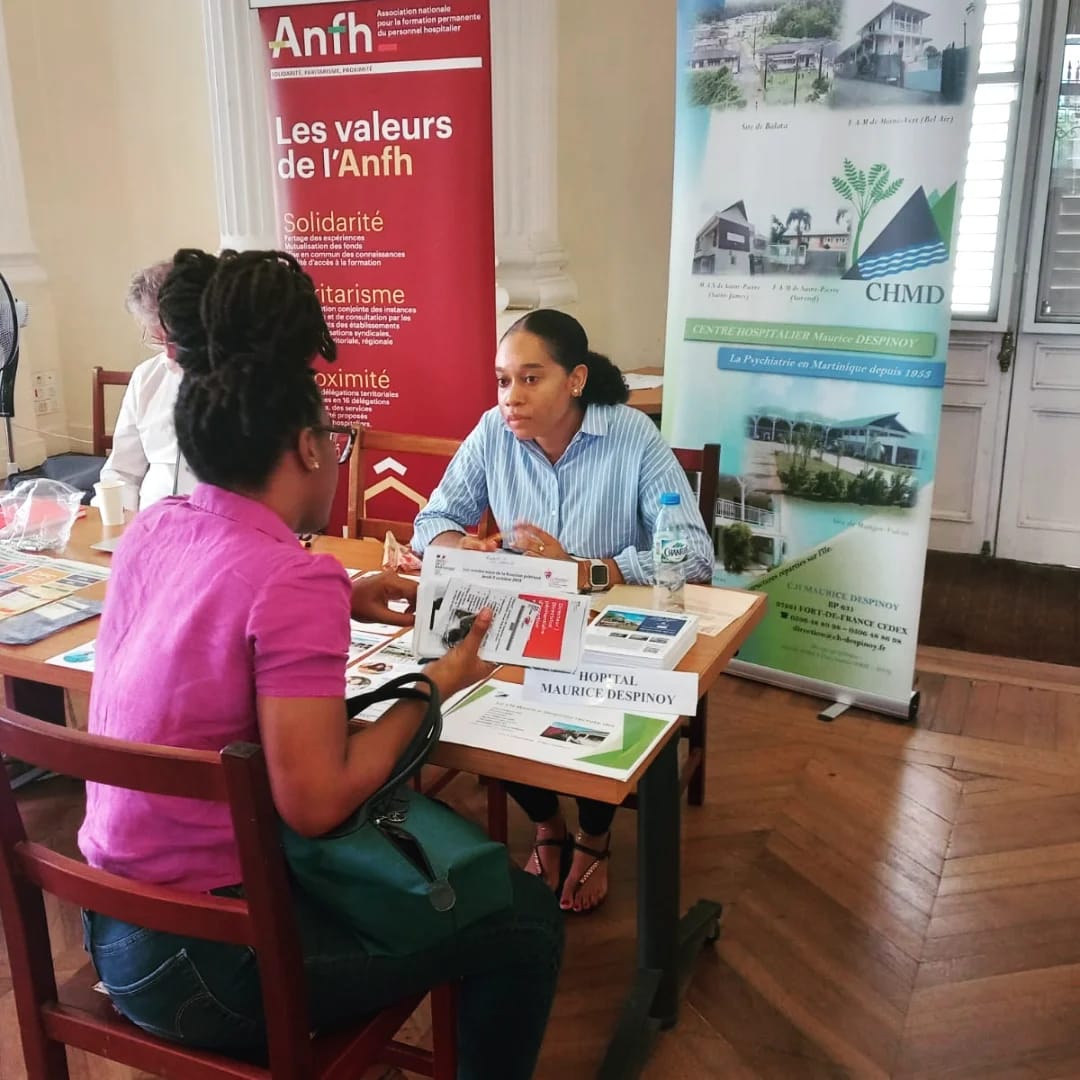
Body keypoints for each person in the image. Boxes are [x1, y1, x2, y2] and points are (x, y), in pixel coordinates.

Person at [78, 249, 563, 1078]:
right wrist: (441, 682)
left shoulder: (156, 528)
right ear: (309, 448)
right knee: (525, 922)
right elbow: (315, 803)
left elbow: (224, 609)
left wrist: (345, 592)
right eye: (335, 442)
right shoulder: (291, 580)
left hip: (113, 925)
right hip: (213, 964)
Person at [412, 309, 713, 913]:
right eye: (503, 381)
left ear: (575, 380)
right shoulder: (492, 432)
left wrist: (582, 569)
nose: (511, 398)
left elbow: (694, 554)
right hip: (522, 617)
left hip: (607, 622)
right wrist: (461, 544)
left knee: (589, 693)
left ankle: (594, 835)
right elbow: (432, 520)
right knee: (477, 692)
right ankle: (547, 822)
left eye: (531, 379)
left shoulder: (631, 435)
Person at [97, 259, 195, 512]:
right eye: (158, 340)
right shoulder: (146, 377)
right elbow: (122, 471)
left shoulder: (241, 381)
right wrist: (121, 523)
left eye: (176, 339)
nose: (169, 354)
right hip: (150, 522)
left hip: (220, 526)